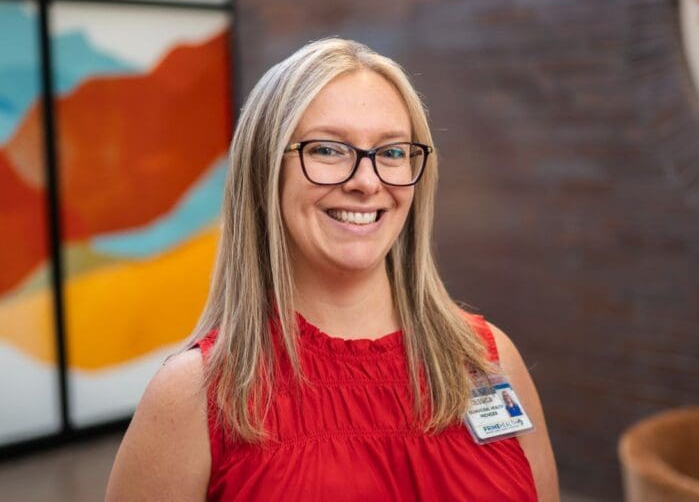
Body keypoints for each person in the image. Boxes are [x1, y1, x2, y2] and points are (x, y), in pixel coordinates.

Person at [106, 38, 558, 501]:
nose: (367, 181)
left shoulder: (488, 359)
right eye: (327, 150)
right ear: (265, 171)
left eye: (392, 152)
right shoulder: (195, 396)